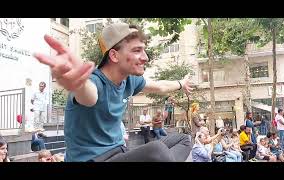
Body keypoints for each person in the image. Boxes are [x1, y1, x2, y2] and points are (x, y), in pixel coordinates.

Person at [34, 23, 193, 162]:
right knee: (157, 151)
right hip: (93, 159)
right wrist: (78, 83)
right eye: (137, 50)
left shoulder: (129, 80)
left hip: (120, 153)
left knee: (184, 139)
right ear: (114, 55)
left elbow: (160, 87)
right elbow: (89, 95)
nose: (145, 57)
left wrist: (181, 83)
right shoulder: (95, 81)